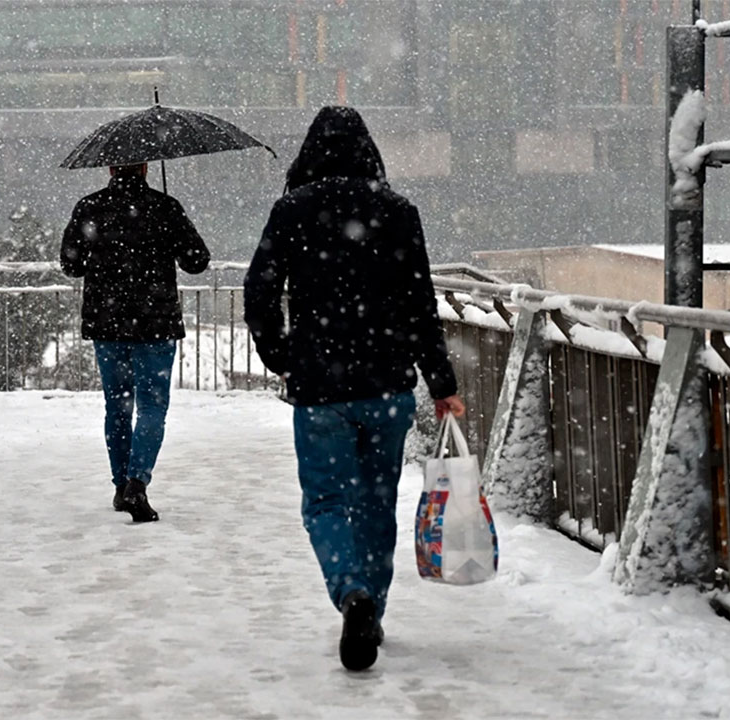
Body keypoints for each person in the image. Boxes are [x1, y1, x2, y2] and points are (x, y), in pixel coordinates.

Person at [243, 106, 465, 671]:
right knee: (375, 502)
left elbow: (259, 290)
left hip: (319, 387)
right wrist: (441, 382)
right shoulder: (397, 211)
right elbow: (420, 304)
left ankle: (350, 592)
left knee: (325, 501)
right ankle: (374, 604)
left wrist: (283, 357)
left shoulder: (292, 210)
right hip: (386, 384)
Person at [60, 162, 211, 523]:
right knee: (152, 408)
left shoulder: (89, 207)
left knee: (118, 407)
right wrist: (170, 230)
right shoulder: (165, 208)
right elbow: (197, 261)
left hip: (107, 325)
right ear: (146, 168)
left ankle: (119, 485)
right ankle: (137, 483)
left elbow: (71, 265)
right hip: (156, 325)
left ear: (111, 167)